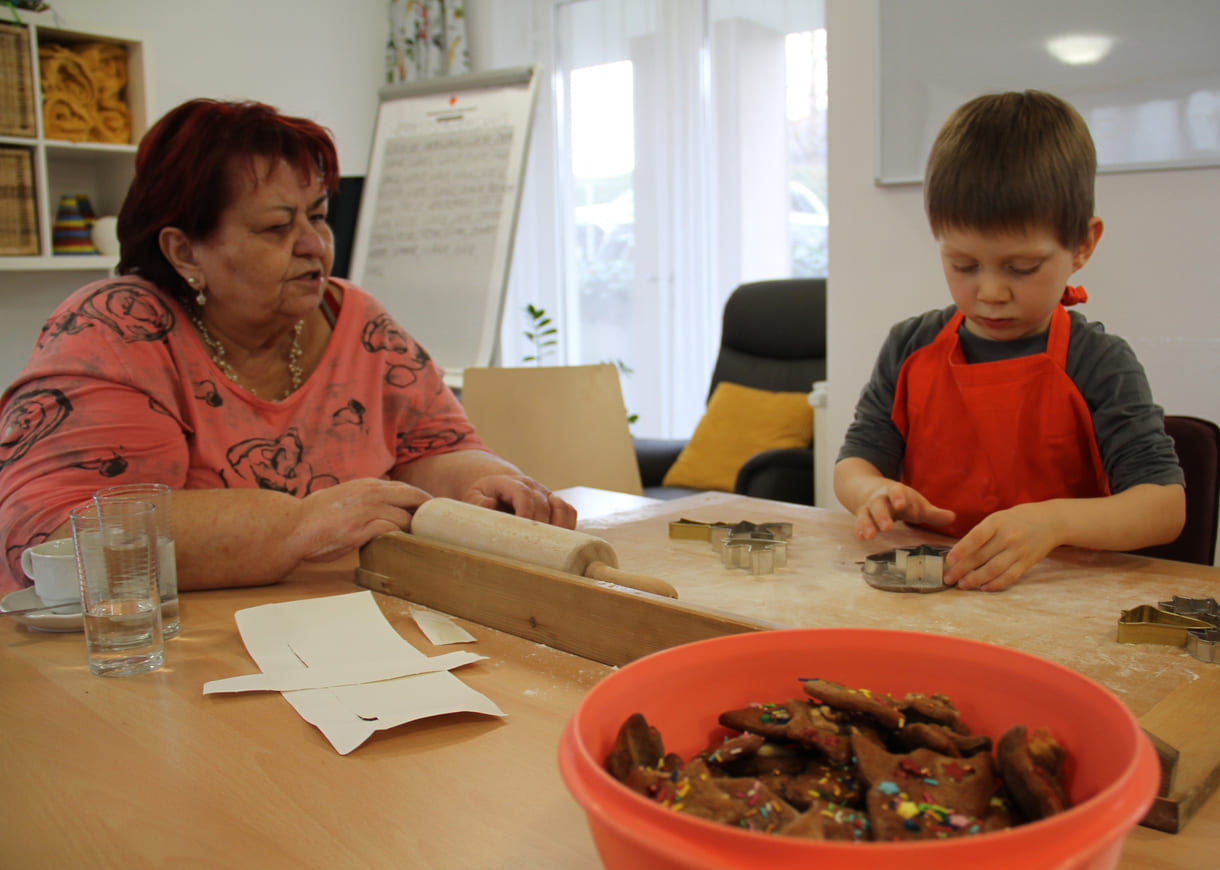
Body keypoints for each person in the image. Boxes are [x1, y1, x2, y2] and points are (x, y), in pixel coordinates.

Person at [0, 98, 575, 595]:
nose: (314, 246)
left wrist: (484, 484)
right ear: (184, 251)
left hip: (336, 632)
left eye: (318, 217)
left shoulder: (355, 318)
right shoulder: (118, 331)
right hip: (146, 660)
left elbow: (429, 449)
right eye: (276, 228)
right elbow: (55, 536)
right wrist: (299, 525)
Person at [834, 90, 1185, 592]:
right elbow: (855, 462)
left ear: (1082, 245)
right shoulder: (910, 345)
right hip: (928, 588)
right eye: (964, 266)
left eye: (1021, 268)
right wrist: (876, 491)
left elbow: (1164, 507)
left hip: (1053, 595)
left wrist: (1054, 522)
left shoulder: (1100, 362)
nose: (991, 293)